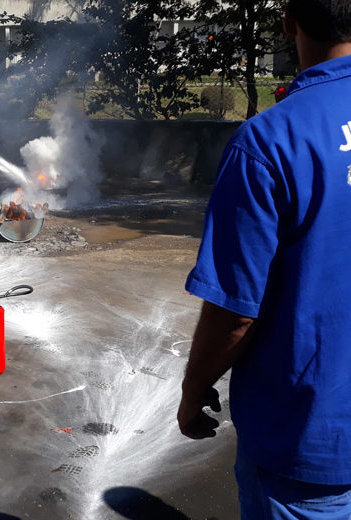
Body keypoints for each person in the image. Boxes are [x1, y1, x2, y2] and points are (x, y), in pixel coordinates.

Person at [177, 1, 351, 517]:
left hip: (308, 440)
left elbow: (235, 310)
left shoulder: (269, 141)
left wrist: (194, 388)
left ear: (290, 22)